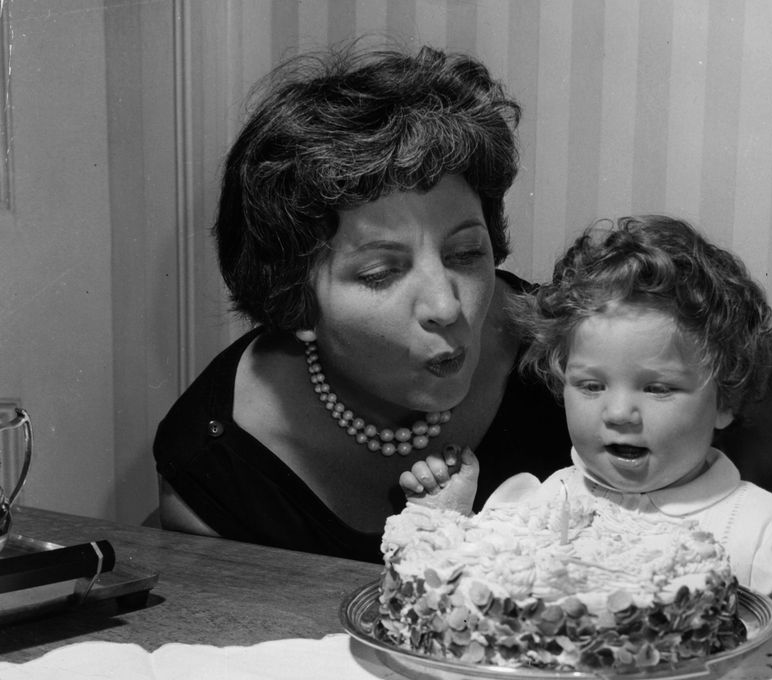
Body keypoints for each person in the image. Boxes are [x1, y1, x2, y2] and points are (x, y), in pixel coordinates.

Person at [152, 43, 571, 561]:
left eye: (466, 253)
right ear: (296, 301)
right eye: (380, 273)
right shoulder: (220, 462)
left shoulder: (568, 353)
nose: (446, 305)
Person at [399, 215, 772, 641]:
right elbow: (464, 610)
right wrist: (444, 521)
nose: (619, 412)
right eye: (591, 385)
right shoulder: (544, 504)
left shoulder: (755, 527)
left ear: (725, 399)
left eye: (658, 388)